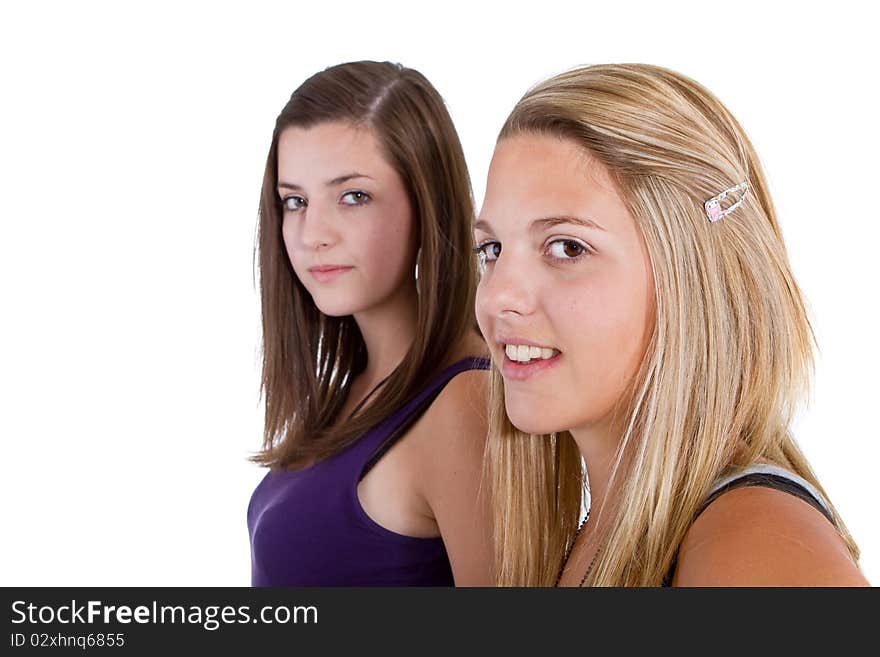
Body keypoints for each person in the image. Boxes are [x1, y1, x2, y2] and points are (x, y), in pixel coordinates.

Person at [473, 63, 868, 586]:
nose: (498, 295)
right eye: (493, 249)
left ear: (691, 275)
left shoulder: (754, 545)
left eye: (567, 248)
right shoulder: (603, 530)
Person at [247, 61, 492, 586]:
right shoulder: (349, 391)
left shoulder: (463, 402)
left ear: (428, 202)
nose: (313, 233)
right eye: (295, 201)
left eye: (353, 196)